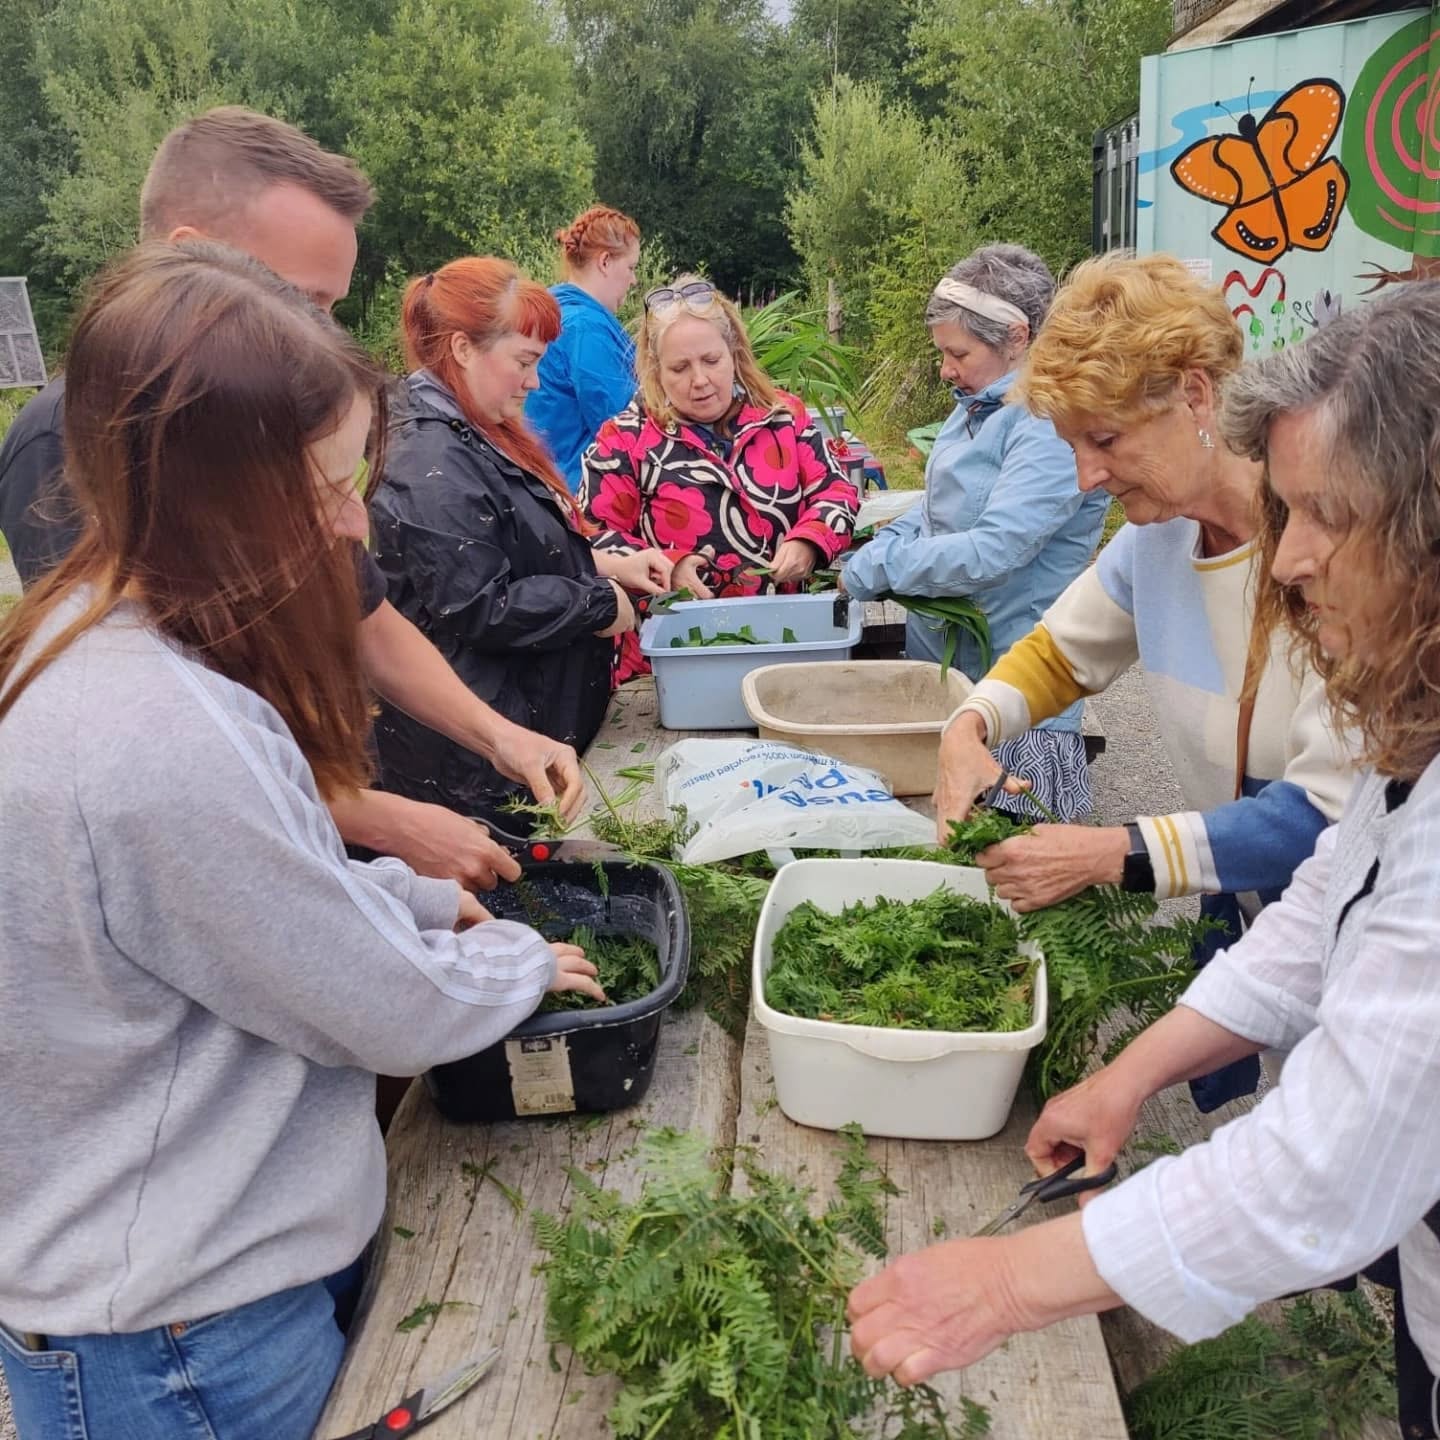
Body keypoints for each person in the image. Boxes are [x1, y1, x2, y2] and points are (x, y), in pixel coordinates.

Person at [0, 240, 606, 1440]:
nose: (346, 525)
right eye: (323, 486)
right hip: (182, 1338)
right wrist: (517, 961)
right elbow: (367, 1001)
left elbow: (259, 908)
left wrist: (427, 905)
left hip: (180, 1283)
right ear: (200, 487)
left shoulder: (91, 626)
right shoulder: (157, 727)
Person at [850, 280, 1440, 1439]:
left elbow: (1326, 1158)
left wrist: (1010, 1282)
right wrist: (968, 725)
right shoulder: (1180, 562)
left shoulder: (1365, 649)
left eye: (1102, 439)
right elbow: (1322, 909)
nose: (1287, 563)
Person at [0, 106, 583, 893]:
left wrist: (501, 737)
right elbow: (158, 749)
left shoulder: (282, 425)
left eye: (333, 306)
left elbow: (367, 616)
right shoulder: (72, 445)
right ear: (195, 261)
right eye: (307, 301)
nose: (327, 335)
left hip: (309, 817)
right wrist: (385, 820)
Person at [931, 252, 1354, 1109]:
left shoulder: (1328, 552)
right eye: (1073, 447)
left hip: (1355, 931)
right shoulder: (1156, 542)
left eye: (1107, 439)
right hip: (1266, 922)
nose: (1089, 477)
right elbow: (1058, 655)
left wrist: (1106, 854)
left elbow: (1323, 814)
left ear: (1195, 394)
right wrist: (966, 728)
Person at [370, 257, 672, 824]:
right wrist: (597, 603)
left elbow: (508, 552)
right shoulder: (428, 456)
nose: (534, 381)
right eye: (525, 362)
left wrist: (606, 565)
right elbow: (479, 604)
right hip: (473, 770)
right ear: (462, 349)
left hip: (514, 742)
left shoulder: (471, 431)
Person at [840, 245, 1109, 822]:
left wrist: (885, 570)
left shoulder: (1049, 424)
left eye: (957, 352)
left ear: (1016, 335)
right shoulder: (976, 407)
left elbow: (995, 550)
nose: (945, 369)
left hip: (1016, 690)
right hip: (951, 672)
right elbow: (937, 508)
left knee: (1011, 862)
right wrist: (889, 538)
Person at [580, 275, 860, 680]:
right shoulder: (624, 438)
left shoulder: (783, 416)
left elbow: (836, 492)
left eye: (711, 361)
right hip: (673, 658)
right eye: (680, 368)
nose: (699, 380)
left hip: (784, 642)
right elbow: (592, 534)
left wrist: (811, 540)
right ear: (656, 371)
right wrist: (668, 566)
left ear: (734, 354)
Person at [525, 205, 641, 491]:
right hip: (581, 492)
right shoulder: (584, 328)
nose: (634, 280)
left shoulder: (557, 311)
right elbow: (623, 425)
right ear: (605, 262)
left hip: (551, 481)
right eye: (631, 267)